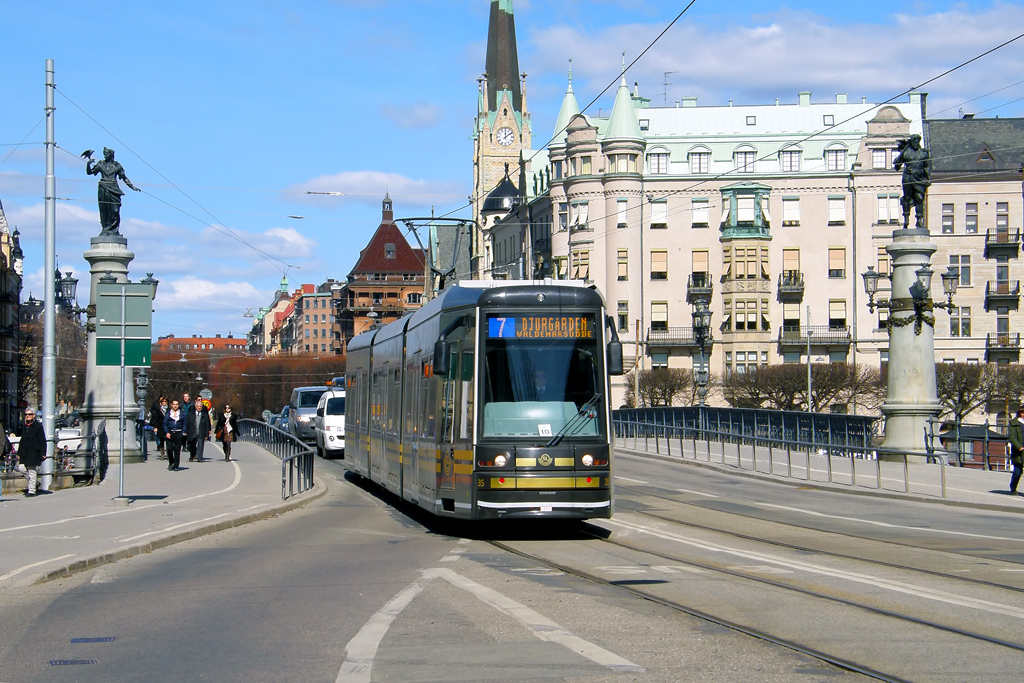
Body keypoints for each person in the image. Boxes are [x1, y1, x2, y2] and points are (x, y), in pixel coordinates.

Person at [84, 147, 141, 236]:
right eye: (104, 154)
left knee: (115, 210)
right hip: (103, 188)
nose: (105, 156)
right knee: (104, 209)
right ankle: (105, 229)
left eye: (107, 154)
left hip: (114, 190)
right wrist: (88, 164)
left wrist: (132, 187)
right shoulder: (100, 164)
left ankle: (114, 230)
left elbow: (124, 178)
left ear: (111, 155)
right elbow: (90, 172)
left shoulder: (117, 166)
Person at [892, 134, 932, 230]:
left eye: (917, 141)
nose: (915, 143)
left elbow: (927, 166)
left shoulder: (923, 153)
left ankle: (919, 220)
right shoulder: (906, 152)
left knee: (919, 197)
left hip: (919, 178)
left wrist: (928, 178)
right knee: (907, 197)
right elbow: (897, 166)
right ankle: (906, 219)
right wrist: (900, 156)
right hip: (908, 177)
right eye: (914, 141)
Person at [18, 407, 47, 496]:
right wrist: (19, 452)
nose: (27, 416)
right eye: (26, 414)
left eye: (29, 414)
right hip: (24, 451)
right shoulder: (25, 426)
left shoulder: (38, 426)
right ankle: (35, 483)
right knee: (21, 468)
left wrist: (43, 453)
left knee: (32, 470)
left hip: (34, 451)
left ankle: (32, 490)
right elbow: (22, 440)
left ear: (33, 415)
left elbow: (42, 440)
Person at [164, 399, 186, 471]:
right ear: (171, 405)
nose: (175, 406)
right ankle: (171, 462)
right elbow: (165, 424)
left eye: (176, 404)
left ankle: (176, 465)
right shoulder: (168, 413)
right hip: (170, 432)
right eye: (174, 404)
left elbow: (184, 424)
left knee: (177, 450)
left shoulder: (182, 413)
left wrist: (183, 432)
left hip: (178, 432)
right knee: (169, 449)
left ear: (178, 405)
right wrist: (167, 432)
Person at [1008, 408, 1024, 495]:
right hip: (1019, 452)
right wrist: (1019, 446)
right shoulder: (1014, 424)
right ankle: (1013, 488)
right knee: (1018, 472)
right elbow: (1011, 437)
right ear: (1021, 413)